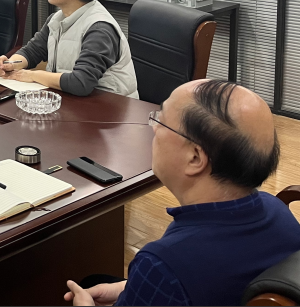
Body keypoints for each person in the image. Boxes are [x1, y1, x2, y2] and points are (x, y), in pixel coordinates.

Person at [65, 79, 300, 306]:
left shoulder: (163, 265)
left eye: (161, 121)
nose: (154, 129)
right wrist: (132, 286)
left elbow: (176, 276)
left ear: (195, 157)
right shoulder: (279, 211)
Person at [0, 0, 138, 97]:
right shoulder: (57, 18)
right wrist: (10, 64)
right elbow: (33, 51)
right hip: (71, 99)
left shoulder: (100, 29)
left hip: (111, 106)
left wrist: (32, 75)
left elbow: (81, 83)